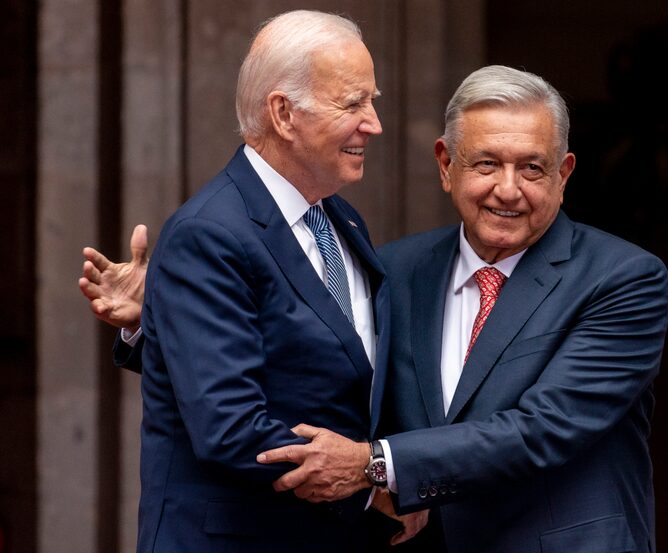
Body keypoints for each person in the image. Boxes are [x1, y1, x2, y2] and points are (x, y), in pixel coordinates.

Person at [82, 65, 668, 553]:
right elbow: (318, 374)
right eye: (487, 164)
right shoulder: (394, 268)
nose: (509, 189)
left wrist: (375, 465)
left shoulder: (623, 280)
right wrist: (161, 319)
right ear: (446, 165)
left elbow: (543, 428)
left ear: (564, 174)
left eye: (532, 168)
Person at [79, 10, 425, 553]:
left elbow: (322, 369)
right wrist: (374, 482)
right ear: (284, 113)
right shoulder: (209, 233)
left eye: (373, 101)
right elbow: (230, 426)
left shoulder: (341, 218)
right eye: (353, 103)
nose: (374, 123)